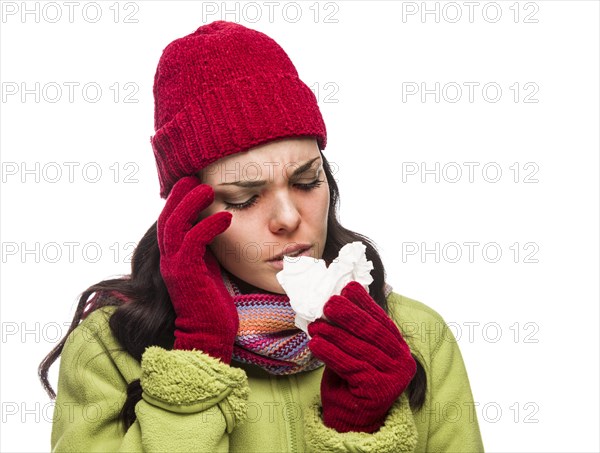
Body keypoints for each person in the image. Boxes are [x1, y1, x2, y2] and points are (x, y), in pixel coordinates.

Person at [39, 20, 484, 452]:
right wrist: (196, 358)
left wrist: (358, 429)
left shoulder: (416, 334)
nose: (289, 218)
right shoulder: (109, 348)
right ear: (186, 214)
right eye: (244, 198)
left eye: (307, 181)